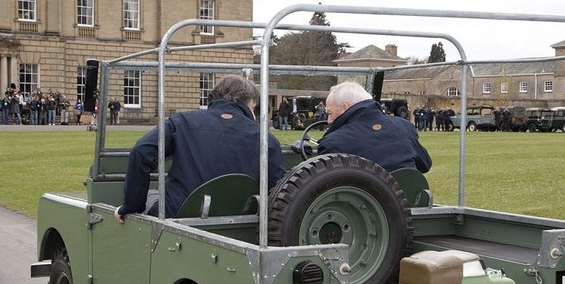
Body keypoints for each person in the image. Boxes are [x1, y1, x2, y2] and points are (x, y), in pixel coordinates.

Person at [117, 76, 285, 222]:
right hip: (240, 218)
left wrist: (131, 206)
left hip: (177, 214)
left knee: (150, 195)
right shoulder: (266, 139)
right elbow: (277, 191)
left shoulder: (182, 122)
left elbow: (141, 151)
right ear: (251, 103)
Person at [317, 81, 431, 172]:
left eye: (330, 113)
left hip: (362, 200)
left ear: (344, 107)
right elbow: (425, 164)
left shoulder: (333, 143)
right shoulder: (404, 126)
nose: (329, 120)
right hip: (408, 199)